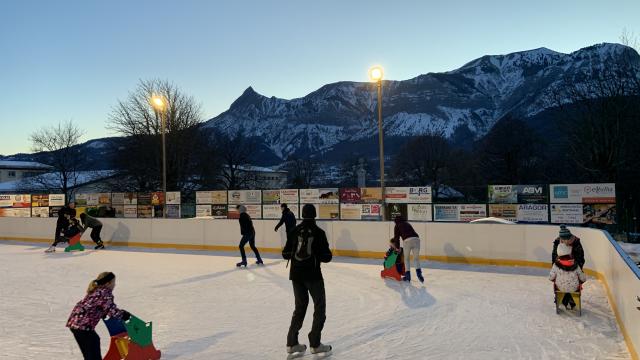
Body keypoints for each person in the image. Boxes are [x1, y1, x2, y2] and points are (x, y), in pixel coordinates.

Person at [282, 204, 333, 356]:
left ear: (302, 215)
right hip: (313, 276)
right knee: (319, 307)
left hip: (296, 276)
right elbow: (327, 257)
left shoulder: (294, 231)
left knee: (299, 308)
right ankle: (315, 344)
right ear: (314, 214)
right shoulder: (319, 232)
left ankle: (292, 343)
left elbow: (285, 254)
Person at [66, 272, 130, 360]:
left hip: (75, 324)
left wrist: (103, 313)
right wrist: (123, 315)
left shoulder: (96, 290)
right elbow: (111, 309)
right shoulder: (105, 293)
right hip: (83, 326)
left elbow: (96, 306)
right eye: (113, 282)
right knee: (93, 347)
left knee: (91, 347)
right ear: (108, 283)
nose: (115, 285)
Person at [549, 243, 586, 309]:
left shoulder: (556, 265)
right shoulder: (576, 264)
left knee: (561, 285)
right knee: (573, 285)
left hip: (560, 288)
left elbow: (551, 278)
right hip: (574, 288)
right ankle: (572, 302)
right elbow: (583, 279)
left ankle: (562, 302)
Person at [392, 215, 424, 283]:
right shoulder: (407, 223)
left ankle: (408, 277)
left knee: (406, 259)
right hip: (416, 239)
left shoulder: (397, 225)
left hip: (407, 241)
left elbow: (396, 238)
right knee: (416, 258)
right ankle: (419, 274)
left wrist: (397, 248)